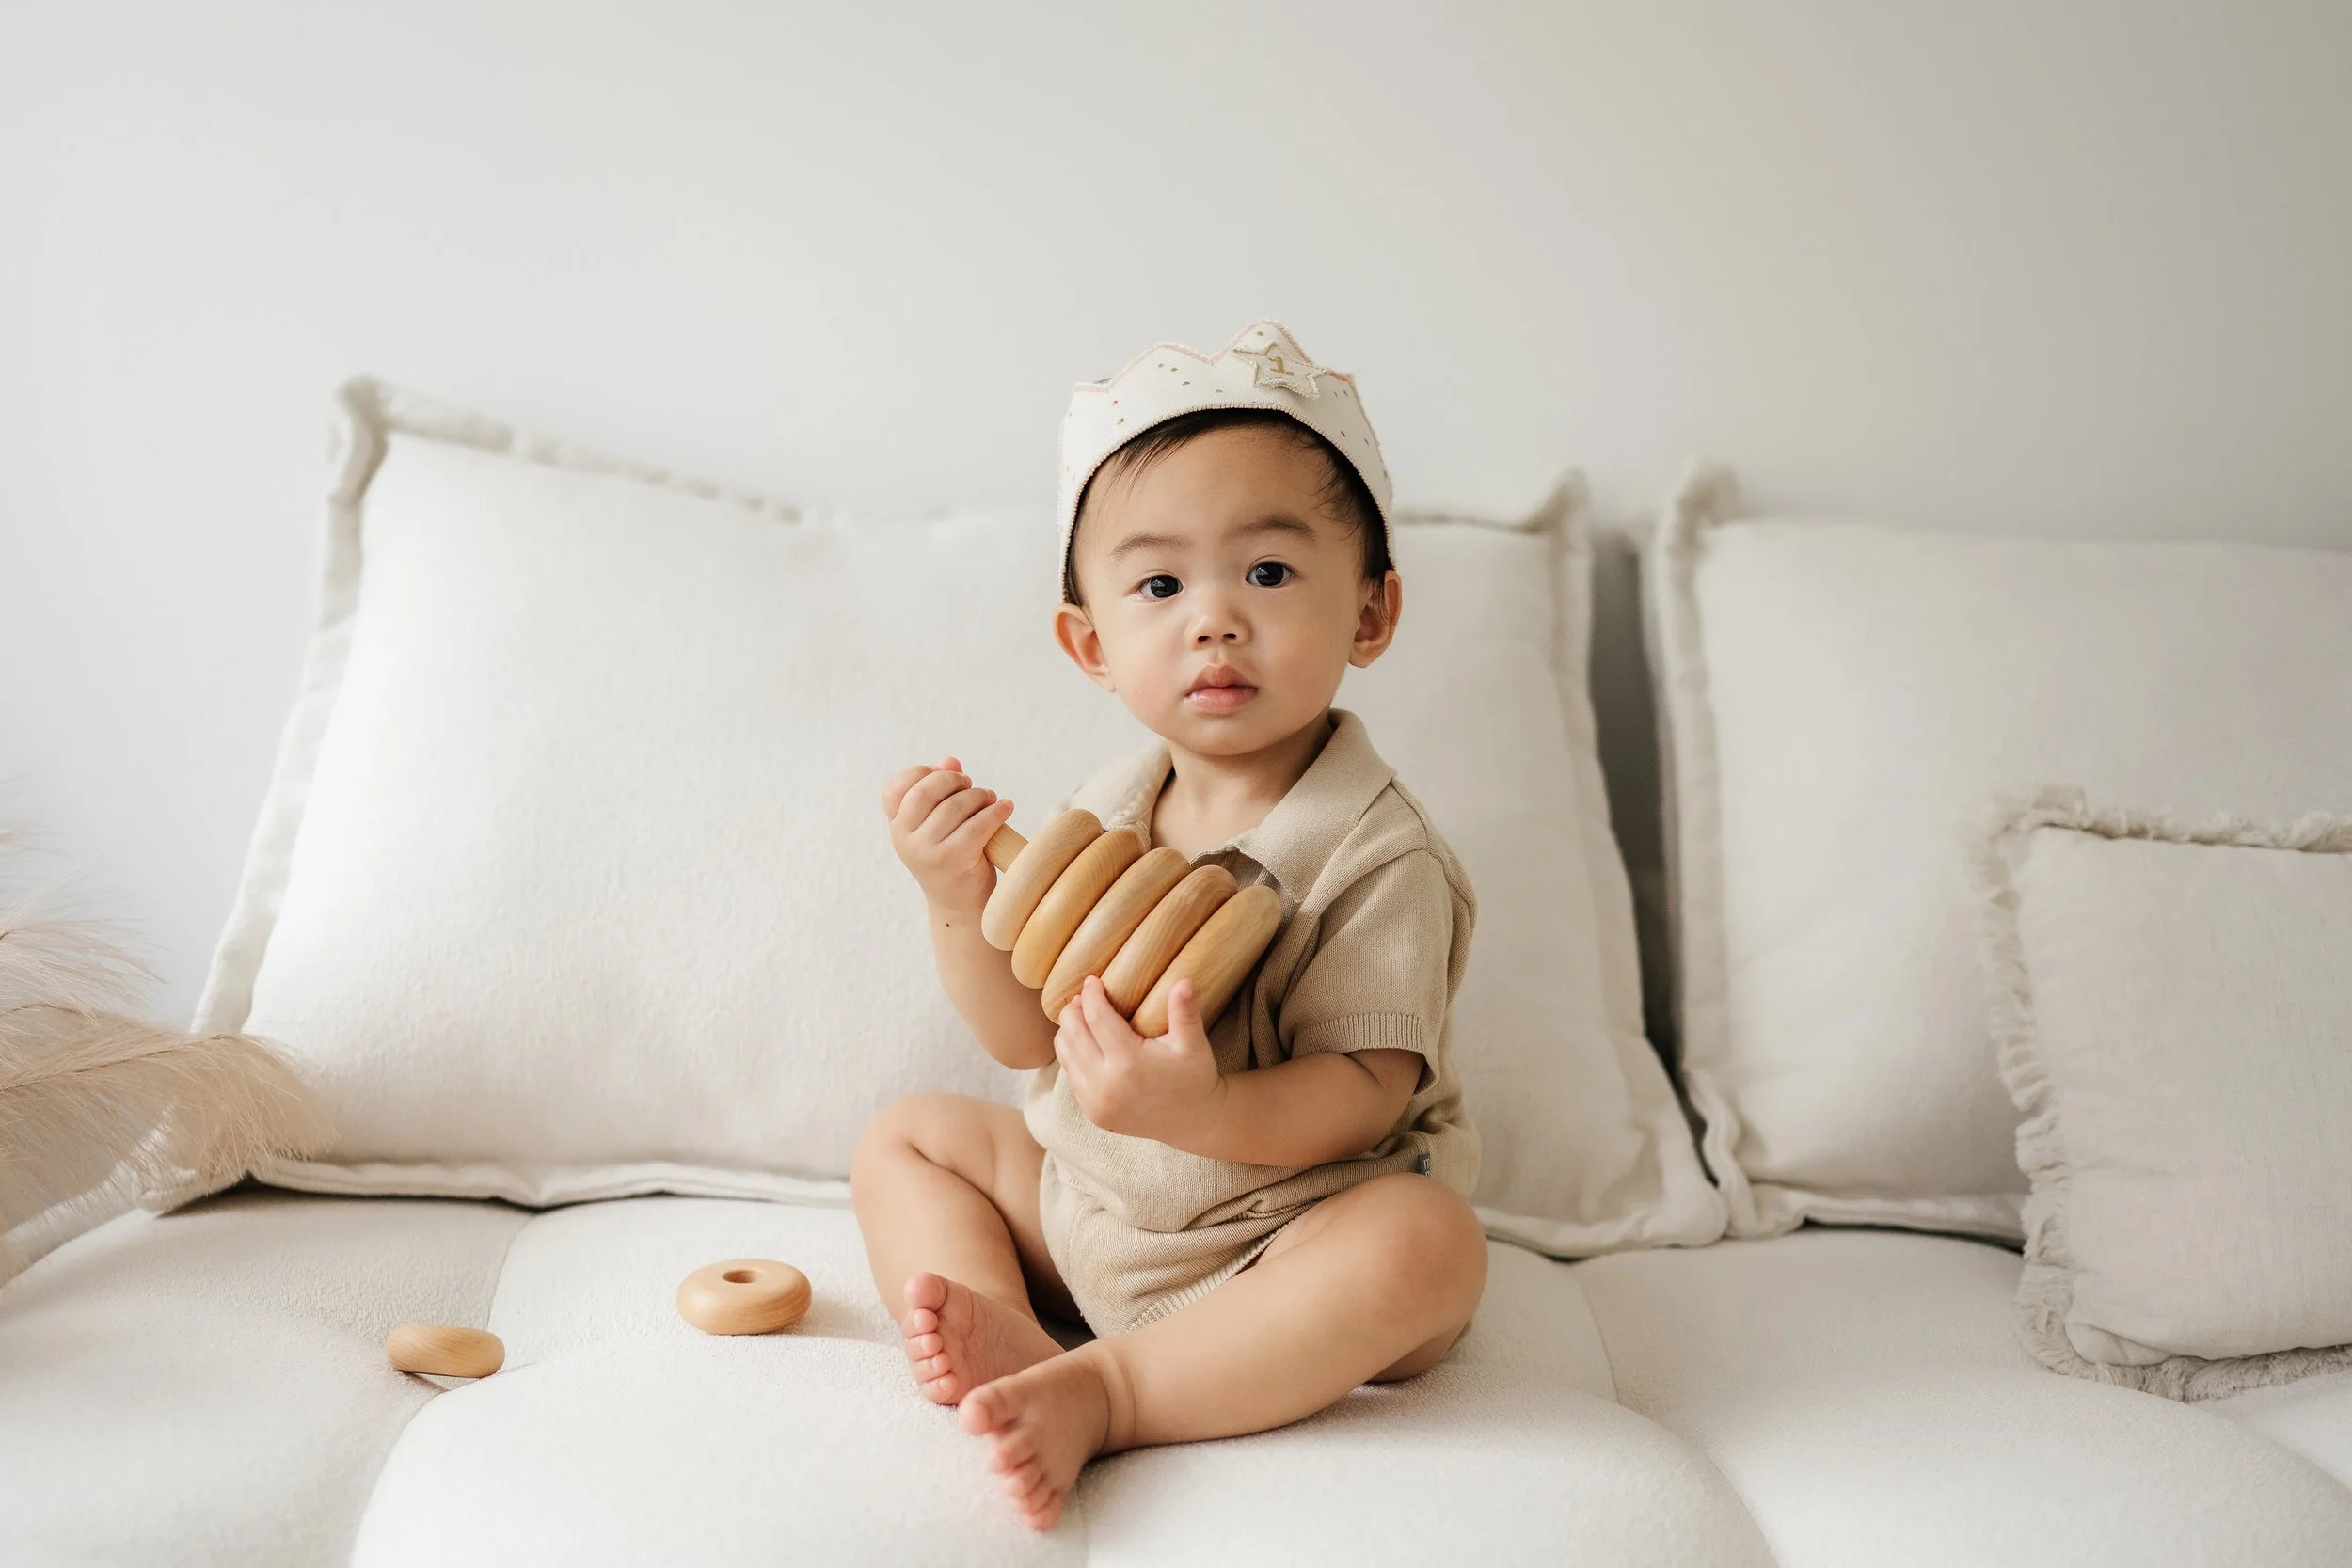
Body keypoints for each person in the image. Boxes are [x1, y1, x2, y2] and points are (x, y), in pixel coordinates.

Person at [853, 321, 1486, 1531]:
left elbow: (1363, 1087)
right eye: (1159, 585)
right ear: (1091, 644)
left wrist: (1200, 1112)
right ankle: (1010, 1328)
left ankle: (1116, 1387)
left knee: (1428, 1245)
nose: (1212, 620)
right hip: (1103, 1199)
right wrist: (953, 899)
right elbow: (1024, 1037)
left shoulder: (1378, 851)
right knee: (912, 1135)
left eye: (1266, 572)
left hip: (1279, 1238)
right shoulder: (1110, 809)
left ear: (1370, 611)